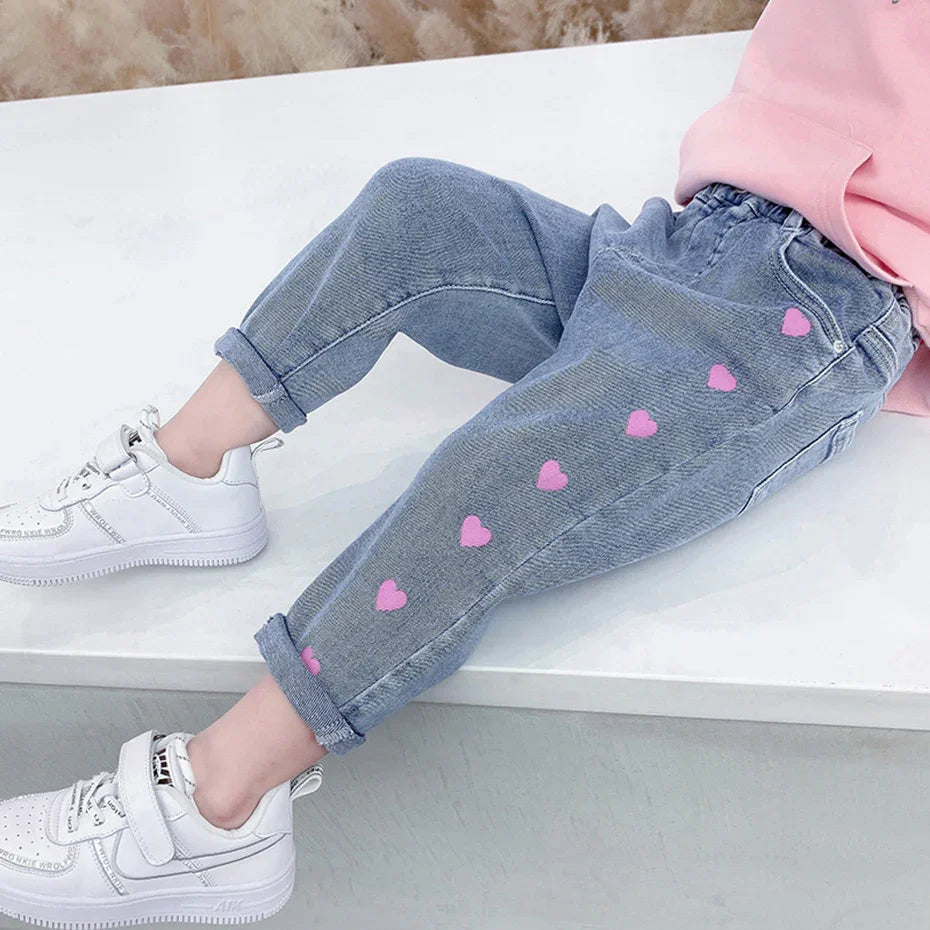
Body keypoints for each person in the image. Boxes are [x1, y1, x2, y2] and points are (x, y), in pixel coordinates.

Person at [0, 0, 926, 925]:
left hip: (820, 306)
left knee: (501, 471)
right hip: (695, 233)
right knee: (418, 208)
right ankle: (187, 475)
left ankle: (215, 811)